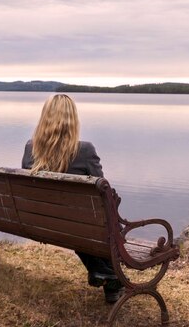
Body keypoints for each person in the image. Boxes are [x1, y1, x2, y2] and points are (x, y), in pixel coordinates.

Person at [21, 94, 123, 303]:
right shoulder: (84, 150)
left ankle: (103, 273)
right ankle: (111, 278)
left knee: (77, 225)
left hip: (42, 222)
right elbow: (102, 193)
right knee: (96, 225)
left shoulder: (30, 148)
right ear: (73, 120)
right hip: (78, 225)